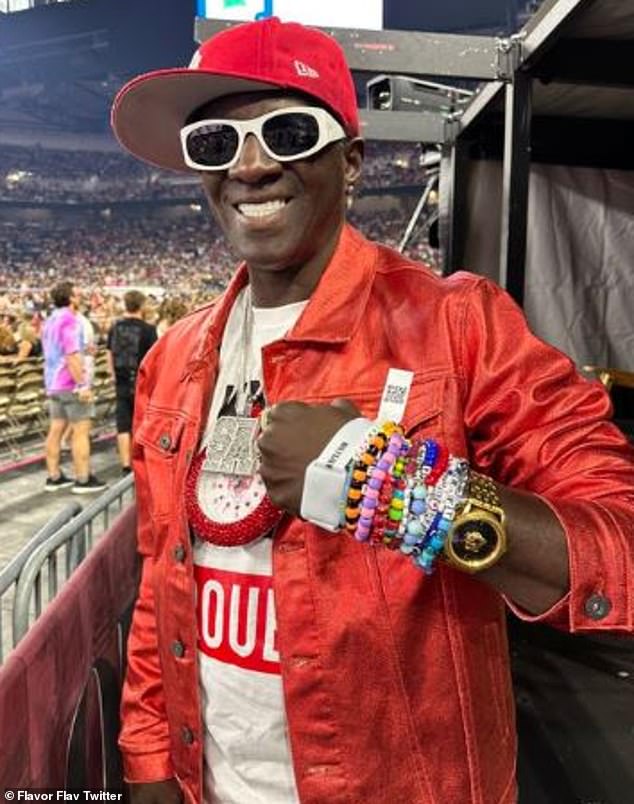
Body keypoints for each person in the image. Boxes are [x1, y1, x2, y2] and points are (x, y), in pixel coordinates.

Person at [111, 17, 634, 804]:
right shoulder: (173, 359)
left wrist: (390, 488)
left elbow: (618, 549)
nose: (250, 166)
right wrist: (150, 764)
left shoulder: (458, 326)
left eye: (287, 133)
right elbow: (162, 585)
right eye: (216, 144)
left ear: (350, 161)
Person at [41, 281, 107, 493]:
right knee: (80, 431)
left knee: (55, 429)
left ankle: (54, 476)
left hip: (53, 383)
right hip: (70, 383)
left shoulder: (49, 320)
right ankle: (83, 479)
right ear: (70, 298)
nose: (80, 297)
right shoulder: (70, 320)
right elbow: (71, 356)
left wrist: (85, 350)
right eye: (77, 294)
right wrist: (82, 385)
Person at [106, 290, 157, 473]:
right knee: (141, 421)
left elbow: (109, 354)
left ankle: (125, 465)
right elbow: (154, 359)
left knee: (123, 423)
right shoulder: (148, 330)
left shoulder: (114, 327)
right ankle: (139, 461)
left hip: (120, 381)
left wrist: (113, 375)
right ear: (141, 305)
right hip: (142, 382)